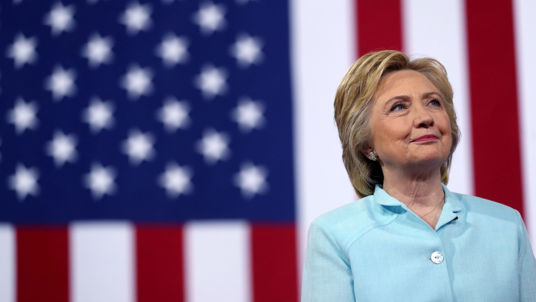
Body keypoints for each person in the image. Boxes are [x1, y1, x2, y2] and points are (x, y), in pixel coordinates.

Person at [301, 50, 536, 301]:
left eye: (433, 102)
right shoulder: (335, 235)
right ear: (367, 144)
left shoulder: (506, 225)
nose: (425, 118)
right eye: (399, 107)